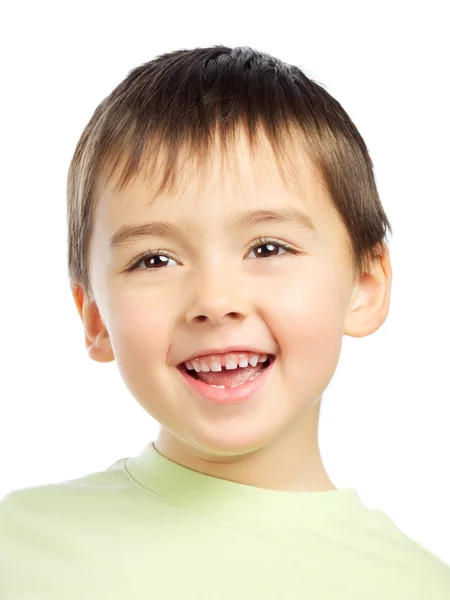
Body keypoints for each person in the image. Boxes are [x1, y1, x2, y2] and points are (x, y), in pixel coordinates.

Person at [1, 45, 449, 598]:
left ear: (365, 285)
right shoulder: (17, 546)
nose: (214, 300)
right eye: (154, 260)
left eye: (267, 248)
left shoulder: (418, 587)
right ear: (95, 318)